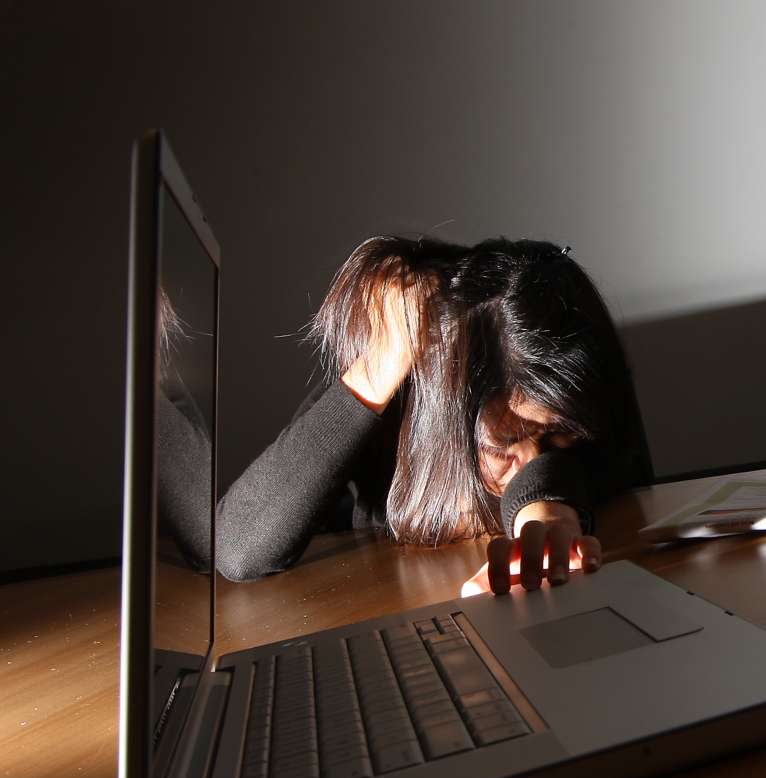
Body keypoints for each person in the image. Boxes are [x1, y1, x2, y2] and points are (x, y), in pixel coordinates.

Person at [216, 235, 651, 592]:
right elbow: (240, 549)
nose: (527, 462)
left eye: (560, 437)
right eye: (500, 446)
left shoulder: (585, 394)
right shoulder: (405, 390)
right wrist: (381, 363)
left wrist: (546, 504)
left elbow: (627, 476)